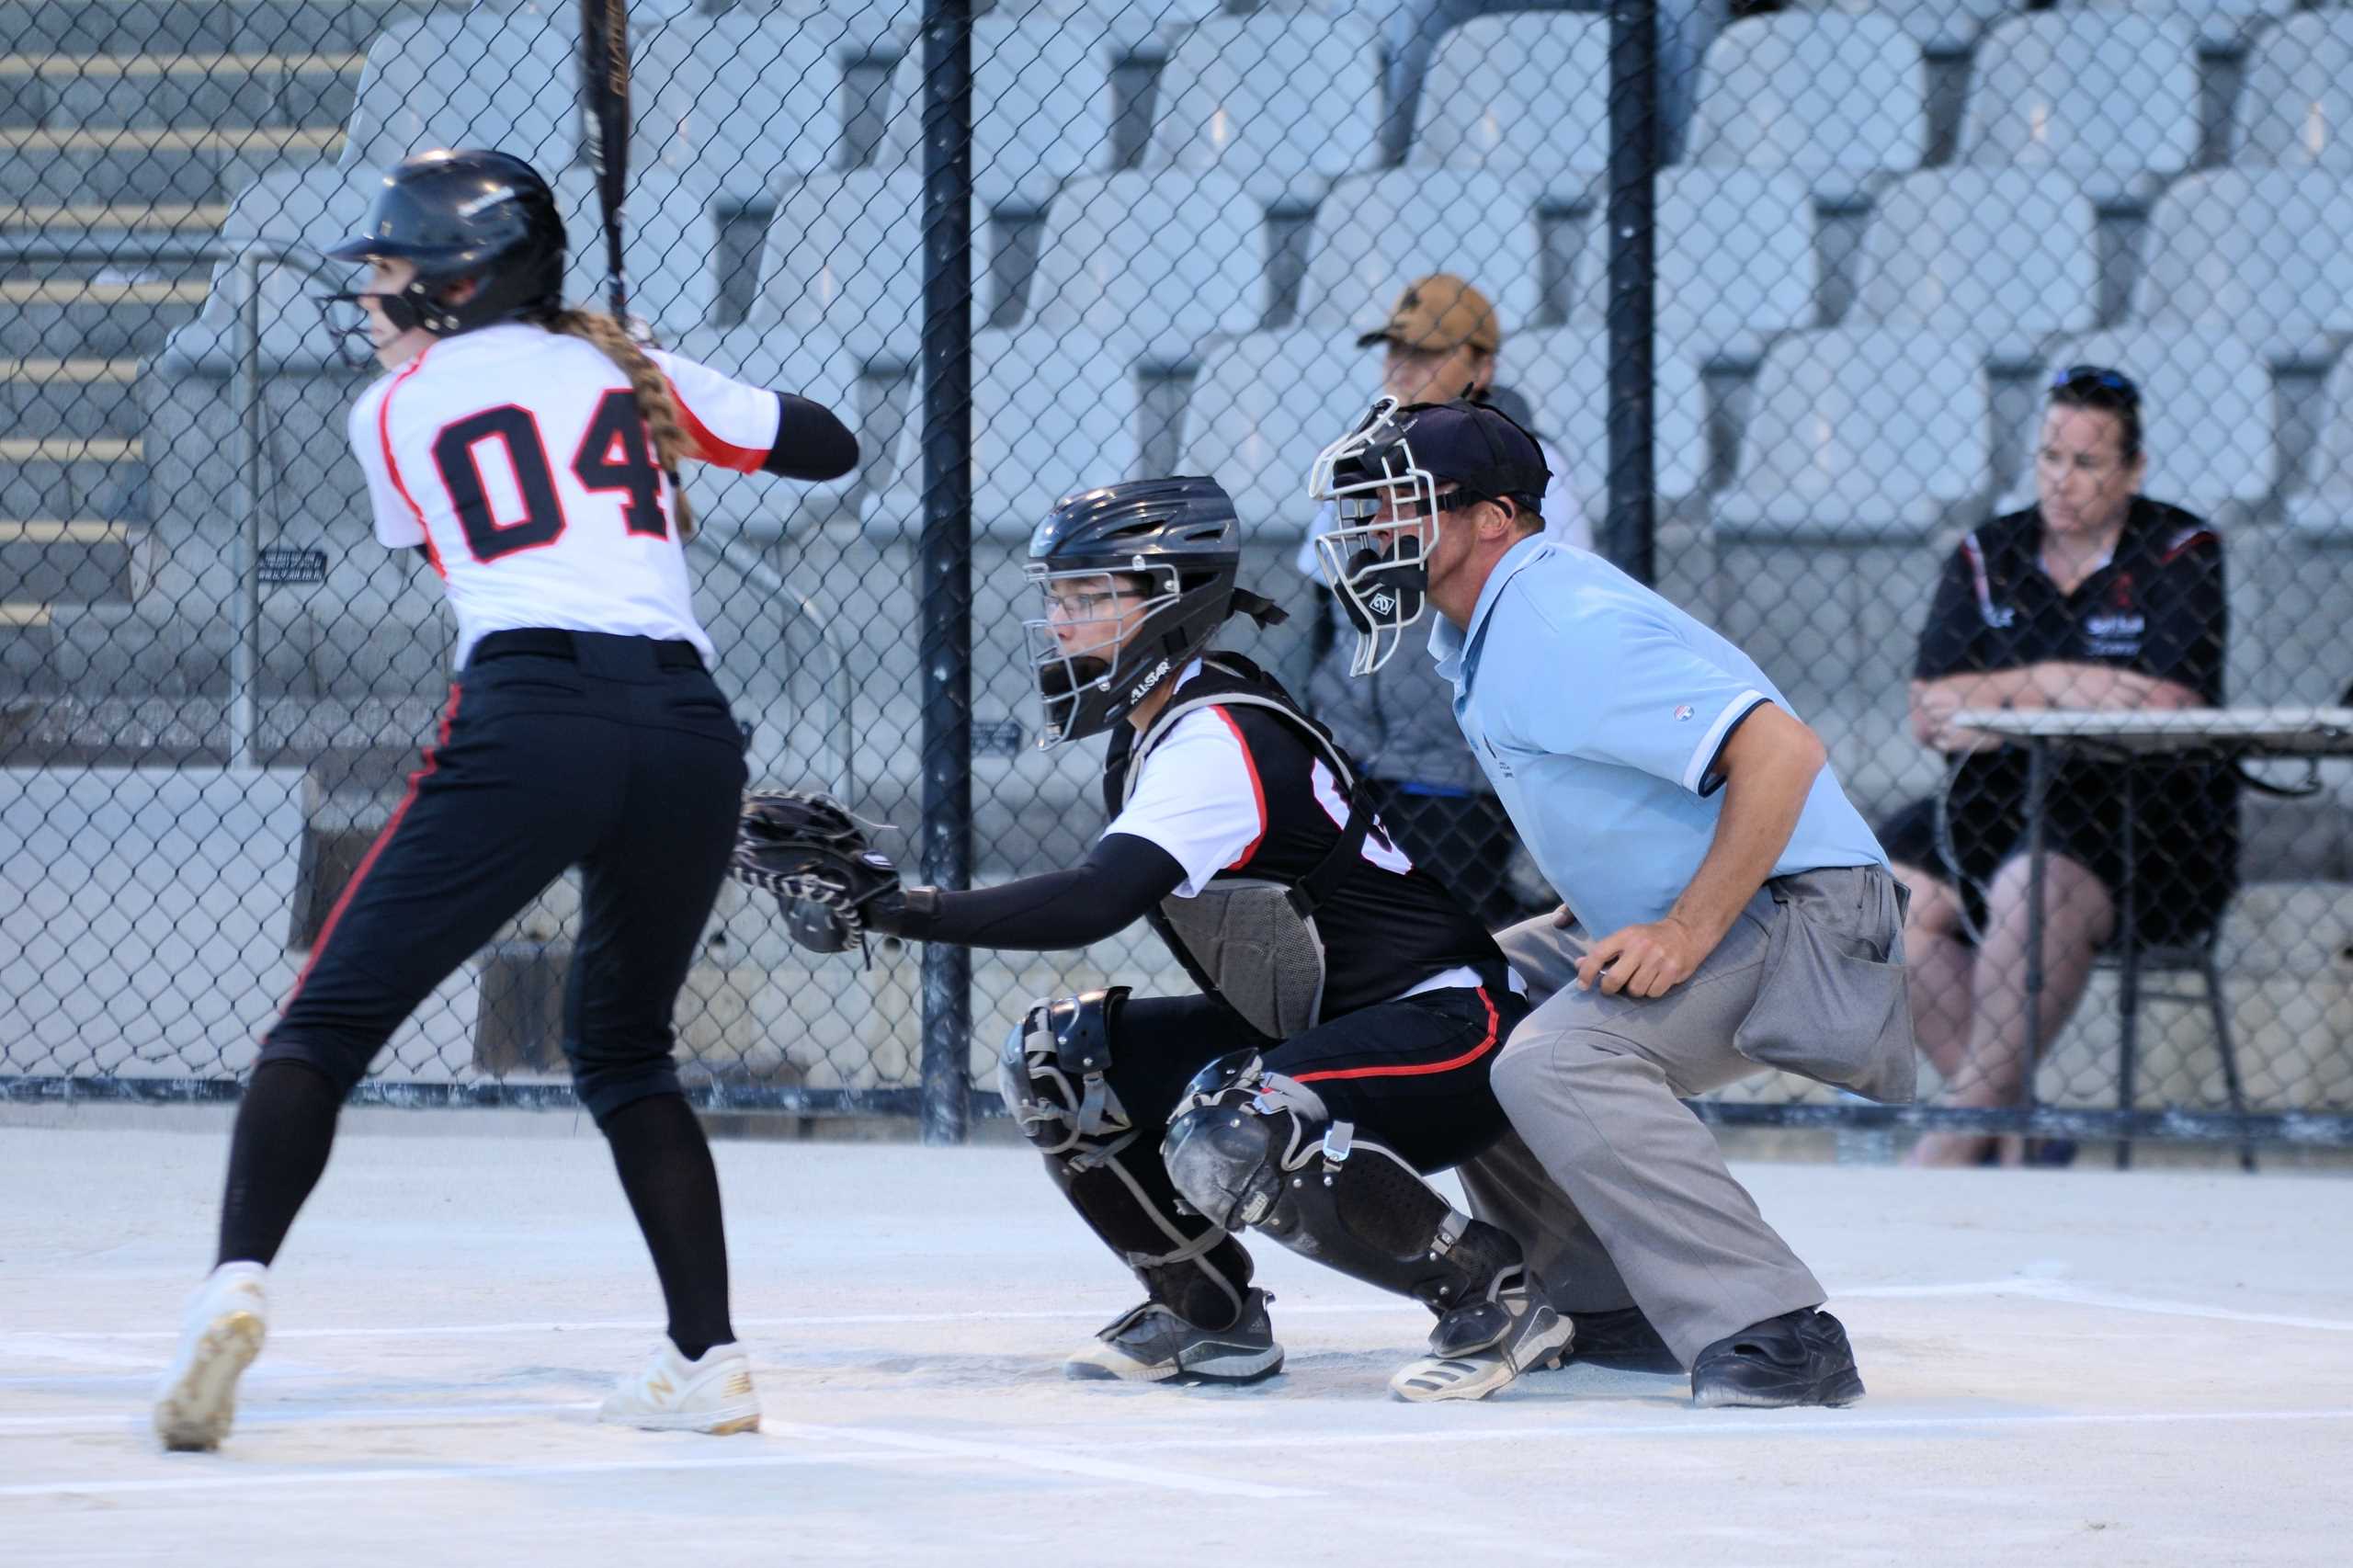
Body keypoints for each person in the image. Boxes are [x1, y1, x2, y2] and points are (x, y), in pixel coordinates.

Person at [149, 148, 858, 1451]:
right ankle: (710, 1357)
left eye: (390, 269)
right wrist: (656, 371)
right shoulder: (621, 370)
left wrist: (613, 370)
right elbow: (829, 444)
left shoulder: (391, 411)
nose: (371, 290)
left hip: (533, 713)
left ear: (459, 285)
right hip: (693, 732)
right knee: (630, 1051)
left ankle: (232, 1281)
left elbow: (455, 550)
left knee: (326, 1020)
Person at [736, 475, 1674, 1400]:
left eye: (1091, 595)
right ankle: (1207, 1309)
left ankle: (1491, 1291)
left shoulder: (1215, 734)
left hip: (1446, 1030)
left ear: (1170, 605)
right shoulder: (1159, 724)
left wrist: (899, 906)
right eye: (1058, 597)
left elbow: (1092, 902)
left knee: (1236, 1118)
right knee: (1061, 1055)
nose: (1063, 621)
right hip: (1331, 1024)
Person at [1310, 394, 1914, 1408]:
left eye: (1396, 506)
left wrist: (1685, 929)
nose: (1370, 533)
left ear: (1492, 518)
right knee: (1463, 1003)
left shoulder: (1555, 622)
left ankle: (1775, 1327)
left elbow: (1782, 751)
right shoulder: (1493, 627)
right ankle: (1604, 1303)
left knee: (1560, 1055)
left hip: (1804, 908)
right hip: (1726, 898)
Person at [1879, 365, 2234, 1169]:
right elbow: (1932, 711)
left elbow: (2170, 709)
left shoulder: (2181, 549)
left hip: (2142, 810)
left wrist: (1994, 703)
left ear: (2133, 471)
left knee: (2028, 887)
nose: (2062, 483)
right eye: (2049, 458)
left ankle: (1955, 1142)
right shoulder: (1988, 551)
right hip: (1991, 800)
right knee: (1886, 899)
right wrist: (2048, 683)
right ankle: (2018, 1132)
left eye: (2087, 463)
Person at [1295, 273, 1587, 927]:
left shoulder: (1532, 474)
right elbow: (1322, 610)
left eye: (1427, 353)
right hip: (1358, 760)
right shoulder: (1358, 463)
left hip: (1457, 776)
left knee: (1450, 944)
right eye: (1395, 351)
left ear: (1482, 366)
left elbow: (1551, 621)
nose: (1401, 369)